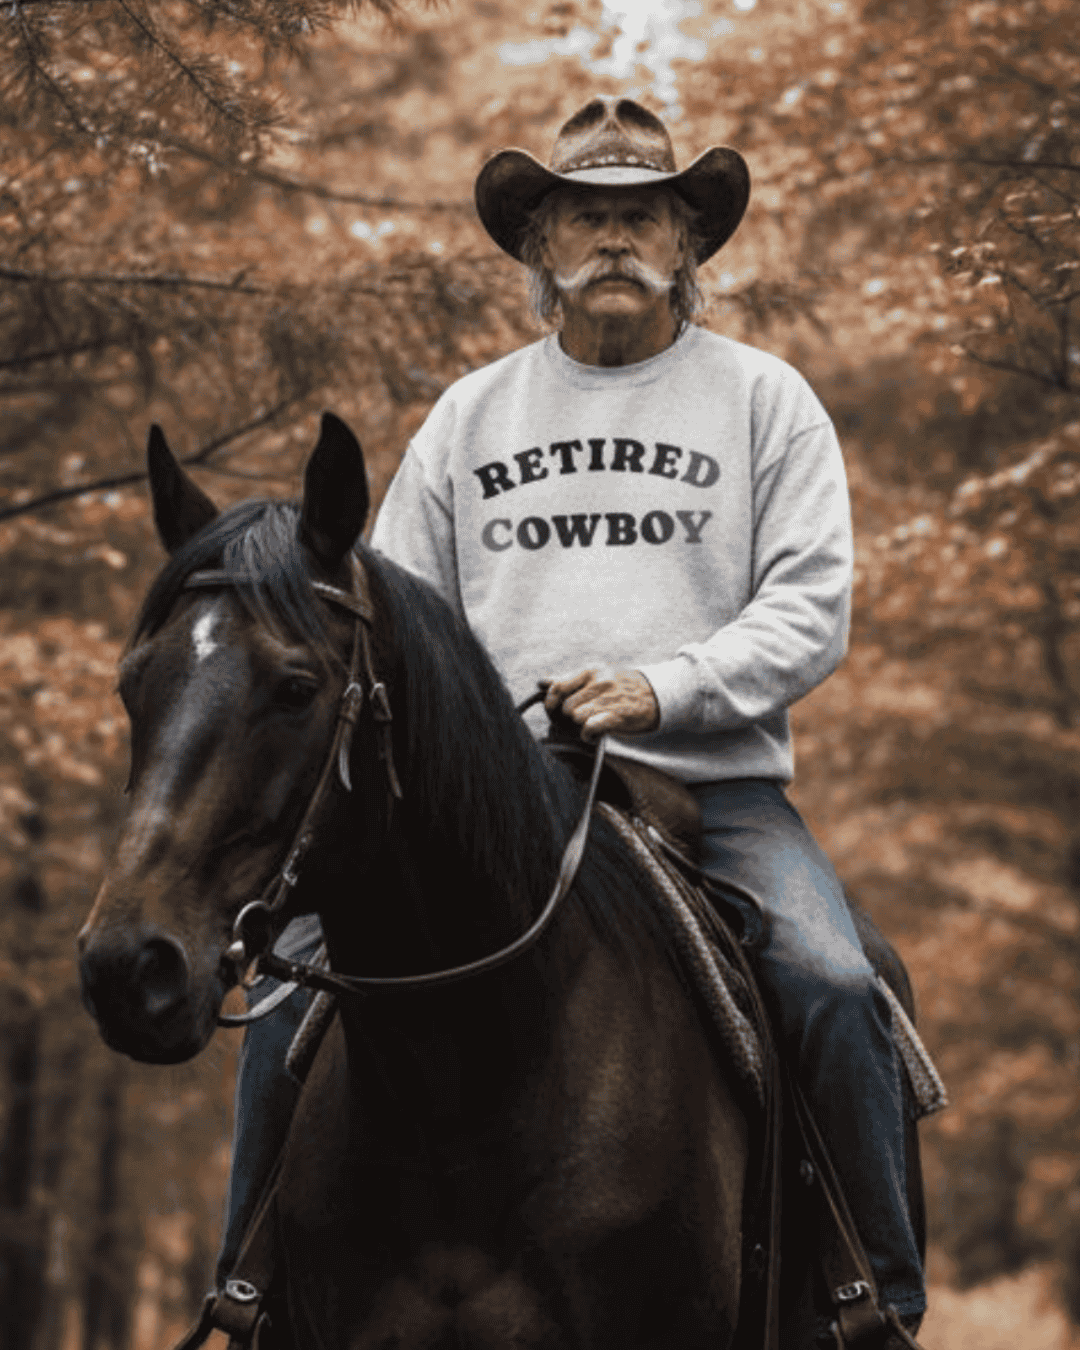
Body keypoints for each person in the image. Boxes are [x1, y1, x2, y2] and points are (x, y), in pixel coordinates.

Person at [219, 96, 925, 1345]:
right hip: (492, 804)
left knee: (834, 977)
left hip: (710, 793)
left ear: (686, 241)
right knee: (290, 997)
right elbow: (392, 625)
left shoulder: (767, 402)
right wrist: (476, 744)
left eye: (640, 213)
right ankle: (255, 1284)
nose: (614, 238)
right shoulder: (470, 418)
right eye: (585, 215)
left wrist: (666, 688)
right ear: (539, 245)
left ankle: (866, 1297)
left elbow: (811, 609)